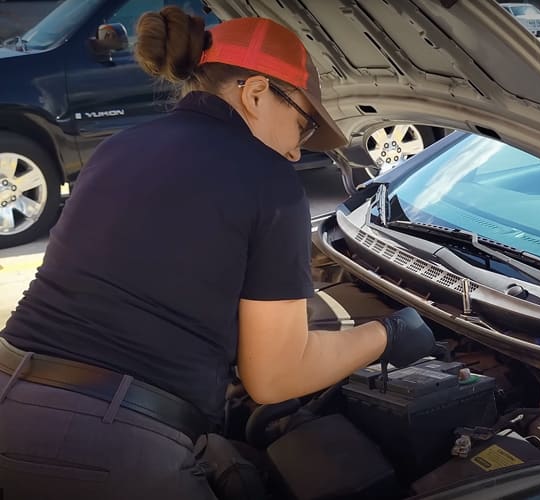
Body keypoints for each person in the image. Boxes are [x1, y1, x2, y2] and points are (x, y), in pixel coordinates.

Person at [0, 7, 434, 500]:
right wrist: (389, 334)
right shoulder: (268, 182)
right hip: (110, 447)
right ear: (254, 94)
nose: (297, 149)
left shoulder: (121, 147)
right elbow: (275, 377)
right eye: (303, 123)